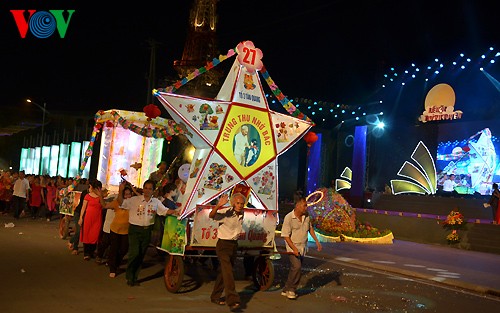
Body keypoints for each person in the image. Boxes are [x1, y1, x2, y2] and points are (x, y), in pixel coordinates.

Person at [117, 179, 177, 287]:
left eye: (150, 189)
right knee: (134, 253)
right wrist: (120, 191)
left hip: (147, 230)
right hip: (135, 230)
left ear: (153, 191)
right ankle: (129, 276)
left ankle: (135, 277)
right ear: (143, 188)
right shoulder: (135, 200)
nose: (147, 191)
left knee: (141, 254)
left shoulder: (156, 202)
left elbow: (165, 211)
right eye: (146, 188)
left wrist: (178, 211)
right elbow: (121, 203)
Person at [209, 192, 245, 311]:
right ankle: (233, 300)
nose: (240, 205)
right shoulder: (227, 212)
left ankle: (215, 296)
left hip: (233, 245)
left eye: (242, 204)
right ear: (233, 203)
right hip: (223, 245)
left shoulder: (242, 213)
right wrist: (218, 205)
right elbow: (211, 215)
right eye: (238, 203)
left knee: (224, 273)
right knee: (228, 272)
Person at [281, 197, 322, 300]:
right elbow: (286, 236)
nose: (306, 207)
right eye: (304, 205)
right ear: (298, 206)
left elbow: (310, 228)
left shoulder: (306, 216)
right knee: (297, 267)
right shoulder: (289, 218)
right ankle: (292, 289)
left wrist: (317, 241)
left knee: (294, 269)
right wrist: (294, 249)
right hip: (292, 246)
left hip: (303, 247)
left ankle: (286, 289)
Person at [106, 185, 133, 278]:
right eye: (125, 194)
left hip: (126, 231)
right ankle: (112, 268)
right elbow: (105, 205)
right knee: (114, 248)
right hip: (115, 229)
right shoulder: (118, 202)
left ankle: (114, 262)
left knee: (124, 249)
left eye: (129, 194)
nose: (127, 196)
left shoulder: (133, 204)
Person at [78, 179, 106, 261]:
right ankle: (86, 253)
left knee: (95, 235)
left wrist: (101, 196)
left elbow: (103, 205)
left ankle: (91, 252)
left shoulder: (101, 197)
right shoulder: (88, 196)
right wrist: (81, 218)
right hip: (88, 218)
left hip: (97, 218)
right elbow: (83, 208)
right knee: (86, 234)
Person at [68, 181, 89, 255]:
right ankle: (75, 247)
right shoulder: (85, 193)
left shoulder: (95, 194)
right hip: (78, 212)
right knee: (78, 231)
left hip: (86, 214)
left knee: (83, 231)